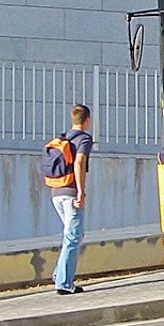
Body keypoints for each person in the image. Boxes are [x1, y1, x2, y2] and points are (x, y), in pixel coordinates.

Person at [51, 104, 93, 295]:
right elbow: (79, 162)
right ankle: (64, 283)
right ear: (87, 120)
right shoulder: (84, 138)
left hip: (56, 192)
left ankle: (59, 273)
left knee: (71, 234)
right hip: (71, 193)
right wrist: (80, 191)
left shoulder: (63, 137)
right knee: (73, 237)